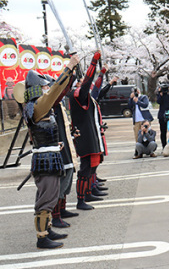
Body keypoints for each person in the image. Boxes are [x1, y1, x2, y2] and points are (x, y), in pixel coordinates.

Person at [23, 54, 79, 249]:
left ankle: (47, 230)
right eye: (45, 86)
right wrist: (69, 67)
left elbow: (42, 133)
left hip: (50, 155)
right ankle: (42, 237)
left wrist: (56, 146)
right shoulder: (38, 105)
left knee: (51, 195)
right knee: (46, 199)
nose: (48, 88)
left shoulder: (38, 106)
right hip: (45, 159)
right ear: (38, 88)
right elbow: (57, 89)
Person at [68, 52, 108, 211]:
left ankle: (88, 192)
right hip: (84, 137)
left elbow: (95, 87)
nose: (81, 83)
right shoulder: (76, 95)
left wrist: (101, 73)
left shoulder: (84, 95)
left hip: (91, 135)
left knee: (91, 167)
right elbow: (87, 84)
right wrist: (93, 62)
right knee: (85, 169)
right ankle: (81, 199)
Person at [43, 75, 79, 228]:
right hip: (54, 148)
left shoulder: (56, 104)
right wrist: (70, 74)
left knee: (68, 176)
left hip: (63, 144)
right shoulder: (46, 104)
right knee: (60, 181)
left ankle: (62, 210)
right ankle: (55, 215)